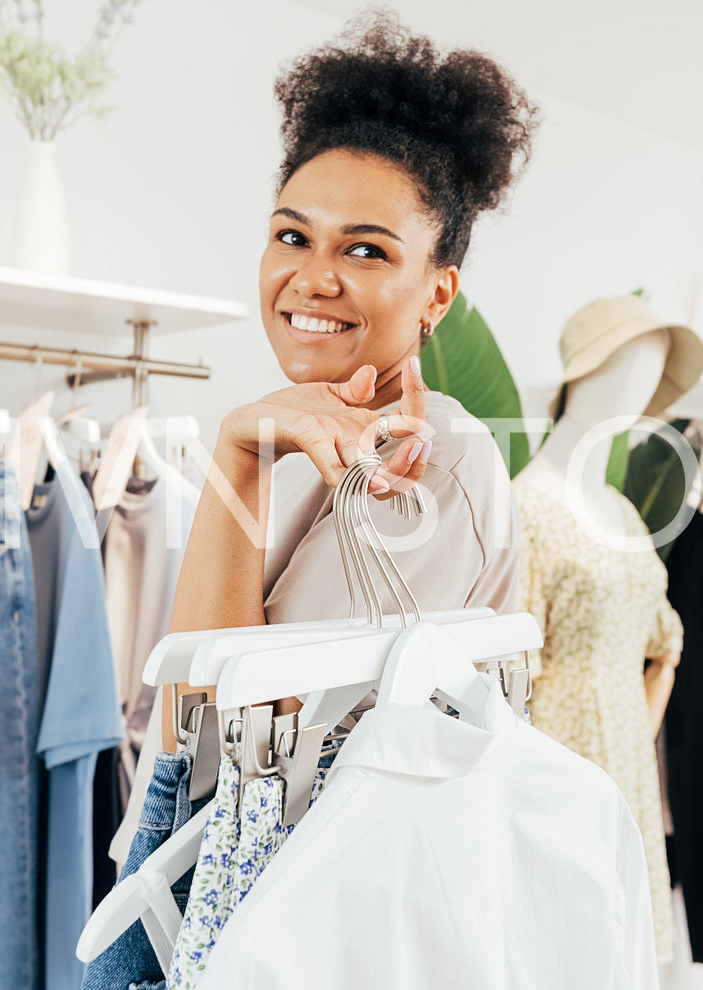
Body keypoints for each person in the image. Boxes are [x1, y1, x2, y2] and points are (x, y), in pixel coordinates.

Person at [167, 10, 542, 699]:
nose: (312, 278)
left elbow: (216, 750)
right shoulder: (316, 432)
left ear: (437, 294)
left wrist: (236, 456)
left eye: (365, 250)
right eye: (291, 236)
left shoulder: (424, 460)